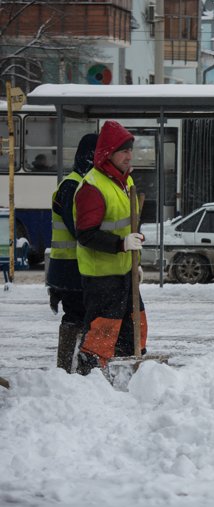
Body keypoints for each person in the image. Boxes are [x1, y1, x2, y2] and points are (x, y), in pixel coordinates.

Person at [72, 120, 147, 375]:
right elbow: (86, 235)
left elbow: (128, 226)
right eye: (123, 151)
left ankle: (127, 377)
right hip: (102, 278)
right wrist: (121, 244)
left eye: (130, 150)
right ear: (108, 154)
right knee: (102, 333)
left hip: (124, 273)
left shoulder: (124, 182)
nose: (129, 156)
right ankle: (90, 377)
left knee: (134, 327)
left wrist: (134, 260)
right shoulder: (93, 187)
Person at [47, 134, 98, 372]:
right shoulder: (72, 185)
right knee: (75, 316)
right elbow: (79, 228)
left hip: (77, 266)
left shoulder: (84, 182)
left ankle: (74, 368)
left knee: (81, 316)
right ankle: (66, 369)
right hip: (69, 269)